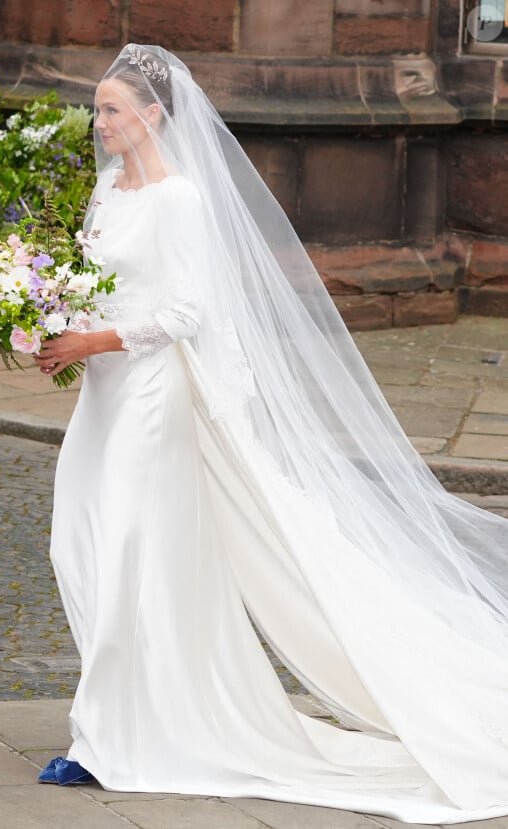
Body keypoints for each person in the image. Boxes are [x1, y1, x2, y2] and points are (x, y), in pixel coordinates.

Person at [34, 43, 508, 824]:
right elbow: (103, 288)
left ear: (154, 115)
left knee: (126, 550)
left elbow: (188, 312)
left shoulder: (182, 197)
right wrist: (56, 328)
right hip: (105, 393)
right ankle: (124, 712)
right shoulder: (112, 186)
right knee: (76, 542)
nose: (101, 122)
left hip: (153, 397)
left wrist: (95, 342)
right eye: (98, 109)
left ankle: (104, 733)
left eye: (113, 108)